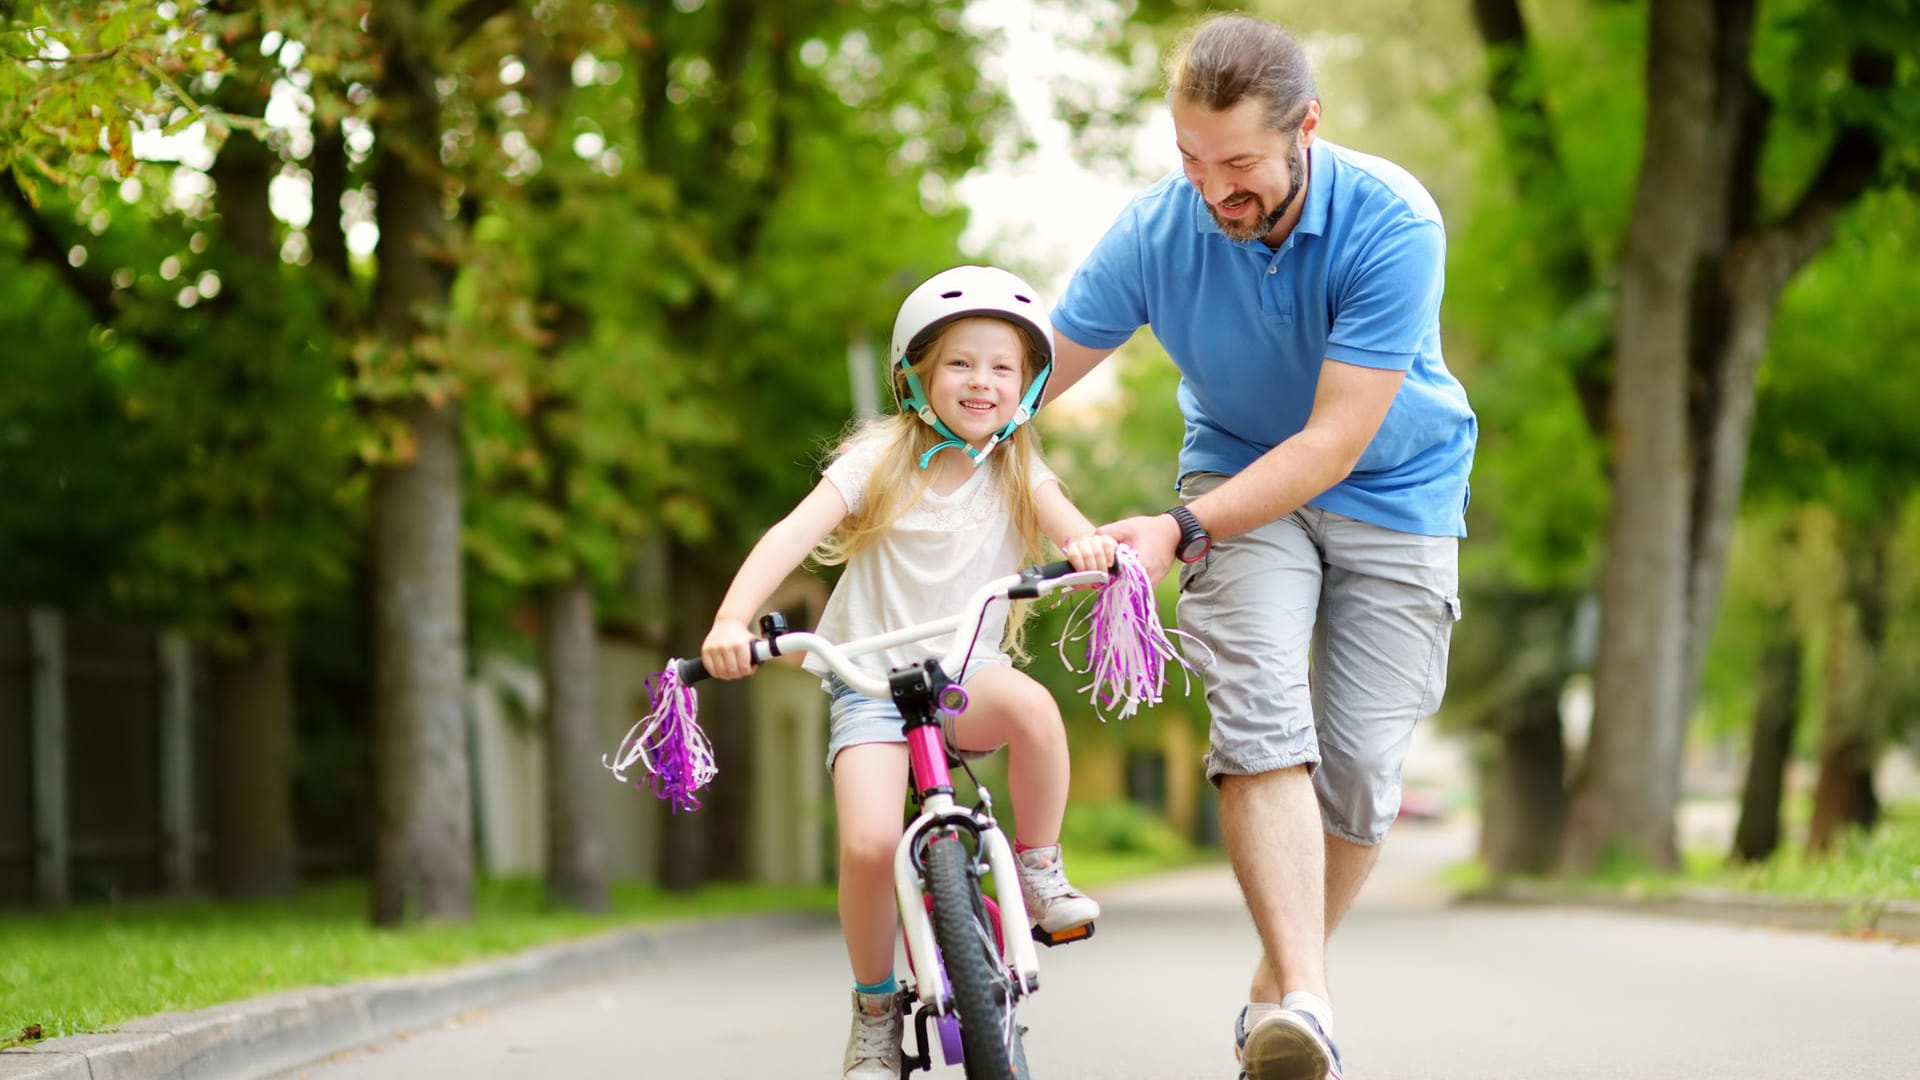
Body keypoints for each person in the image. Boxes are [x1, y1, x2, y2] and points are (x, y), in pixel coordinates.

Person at [1044, 14, 1477, 1080]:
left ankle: (1272, 996)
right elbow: (1036, 370)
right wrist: (928, 433)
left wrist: (1178, 531)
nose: (1212, 189)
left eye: (1238, 163)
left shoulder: (1391, 219)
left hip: (1397, 487)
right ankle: (1310, 1004)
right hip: (1236, 475)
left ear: (1307, 131)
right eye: (1191, 159)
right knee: (1260, 718)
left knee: (1367, 770)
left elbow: (1334, 439)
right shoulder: (1159, 230)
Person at [699, 265, 1118, 1080]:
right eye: (961, 363)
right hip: (868, 686)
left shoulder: (1016, 465)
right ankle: (874, 1009)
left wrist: (1094, 550)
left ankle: (1037, 868)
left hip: (967, 674)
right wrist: (730, 619)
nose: (982, 382)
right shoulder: (879, 457)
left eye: (1004, 367)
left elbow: (1075, 533)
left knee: (1034, 711)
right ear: (917, 374)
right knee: (865, 843)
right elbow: (791, 536)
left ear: (1028, 387)